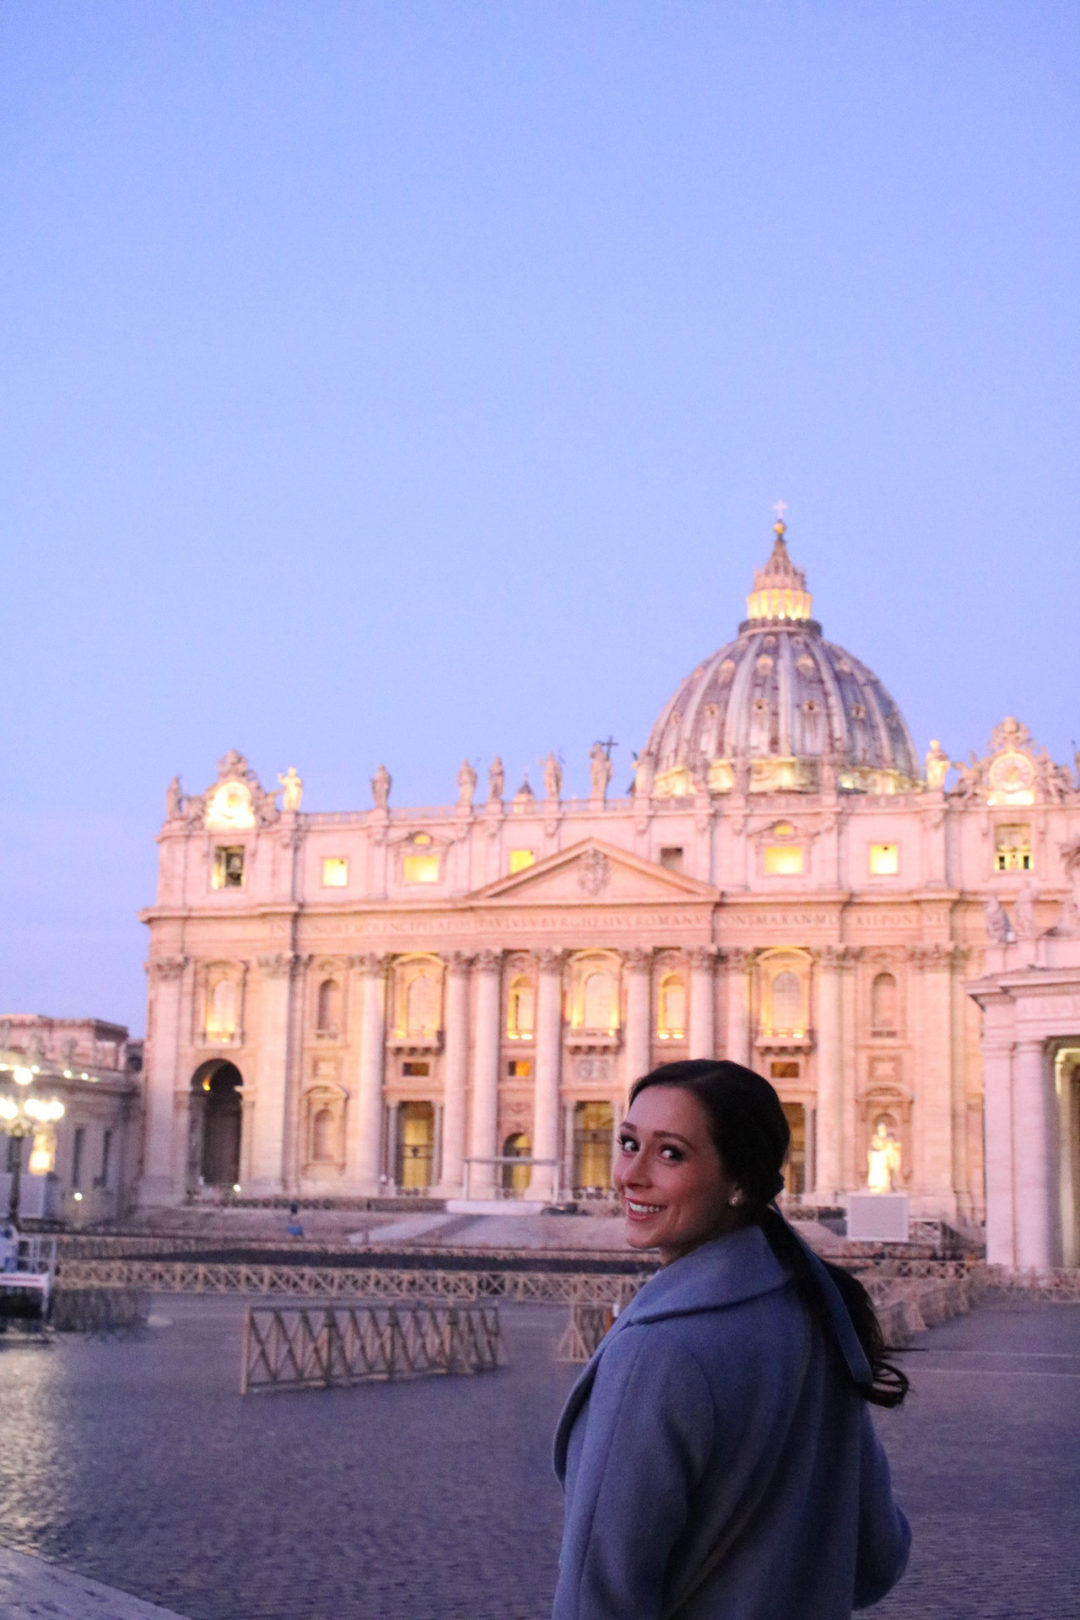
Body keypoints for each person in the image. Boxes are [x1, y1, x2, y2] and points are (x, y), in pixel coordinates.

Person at [552, 1059, 910, 1620]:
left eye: (670, 1153)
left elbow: (596, 1600)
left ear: (738, 1182)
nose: (630, 1175)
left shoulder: (657, 1352)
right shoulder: (817, 1318)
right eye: (627, 1143)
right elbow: (877, 1561)